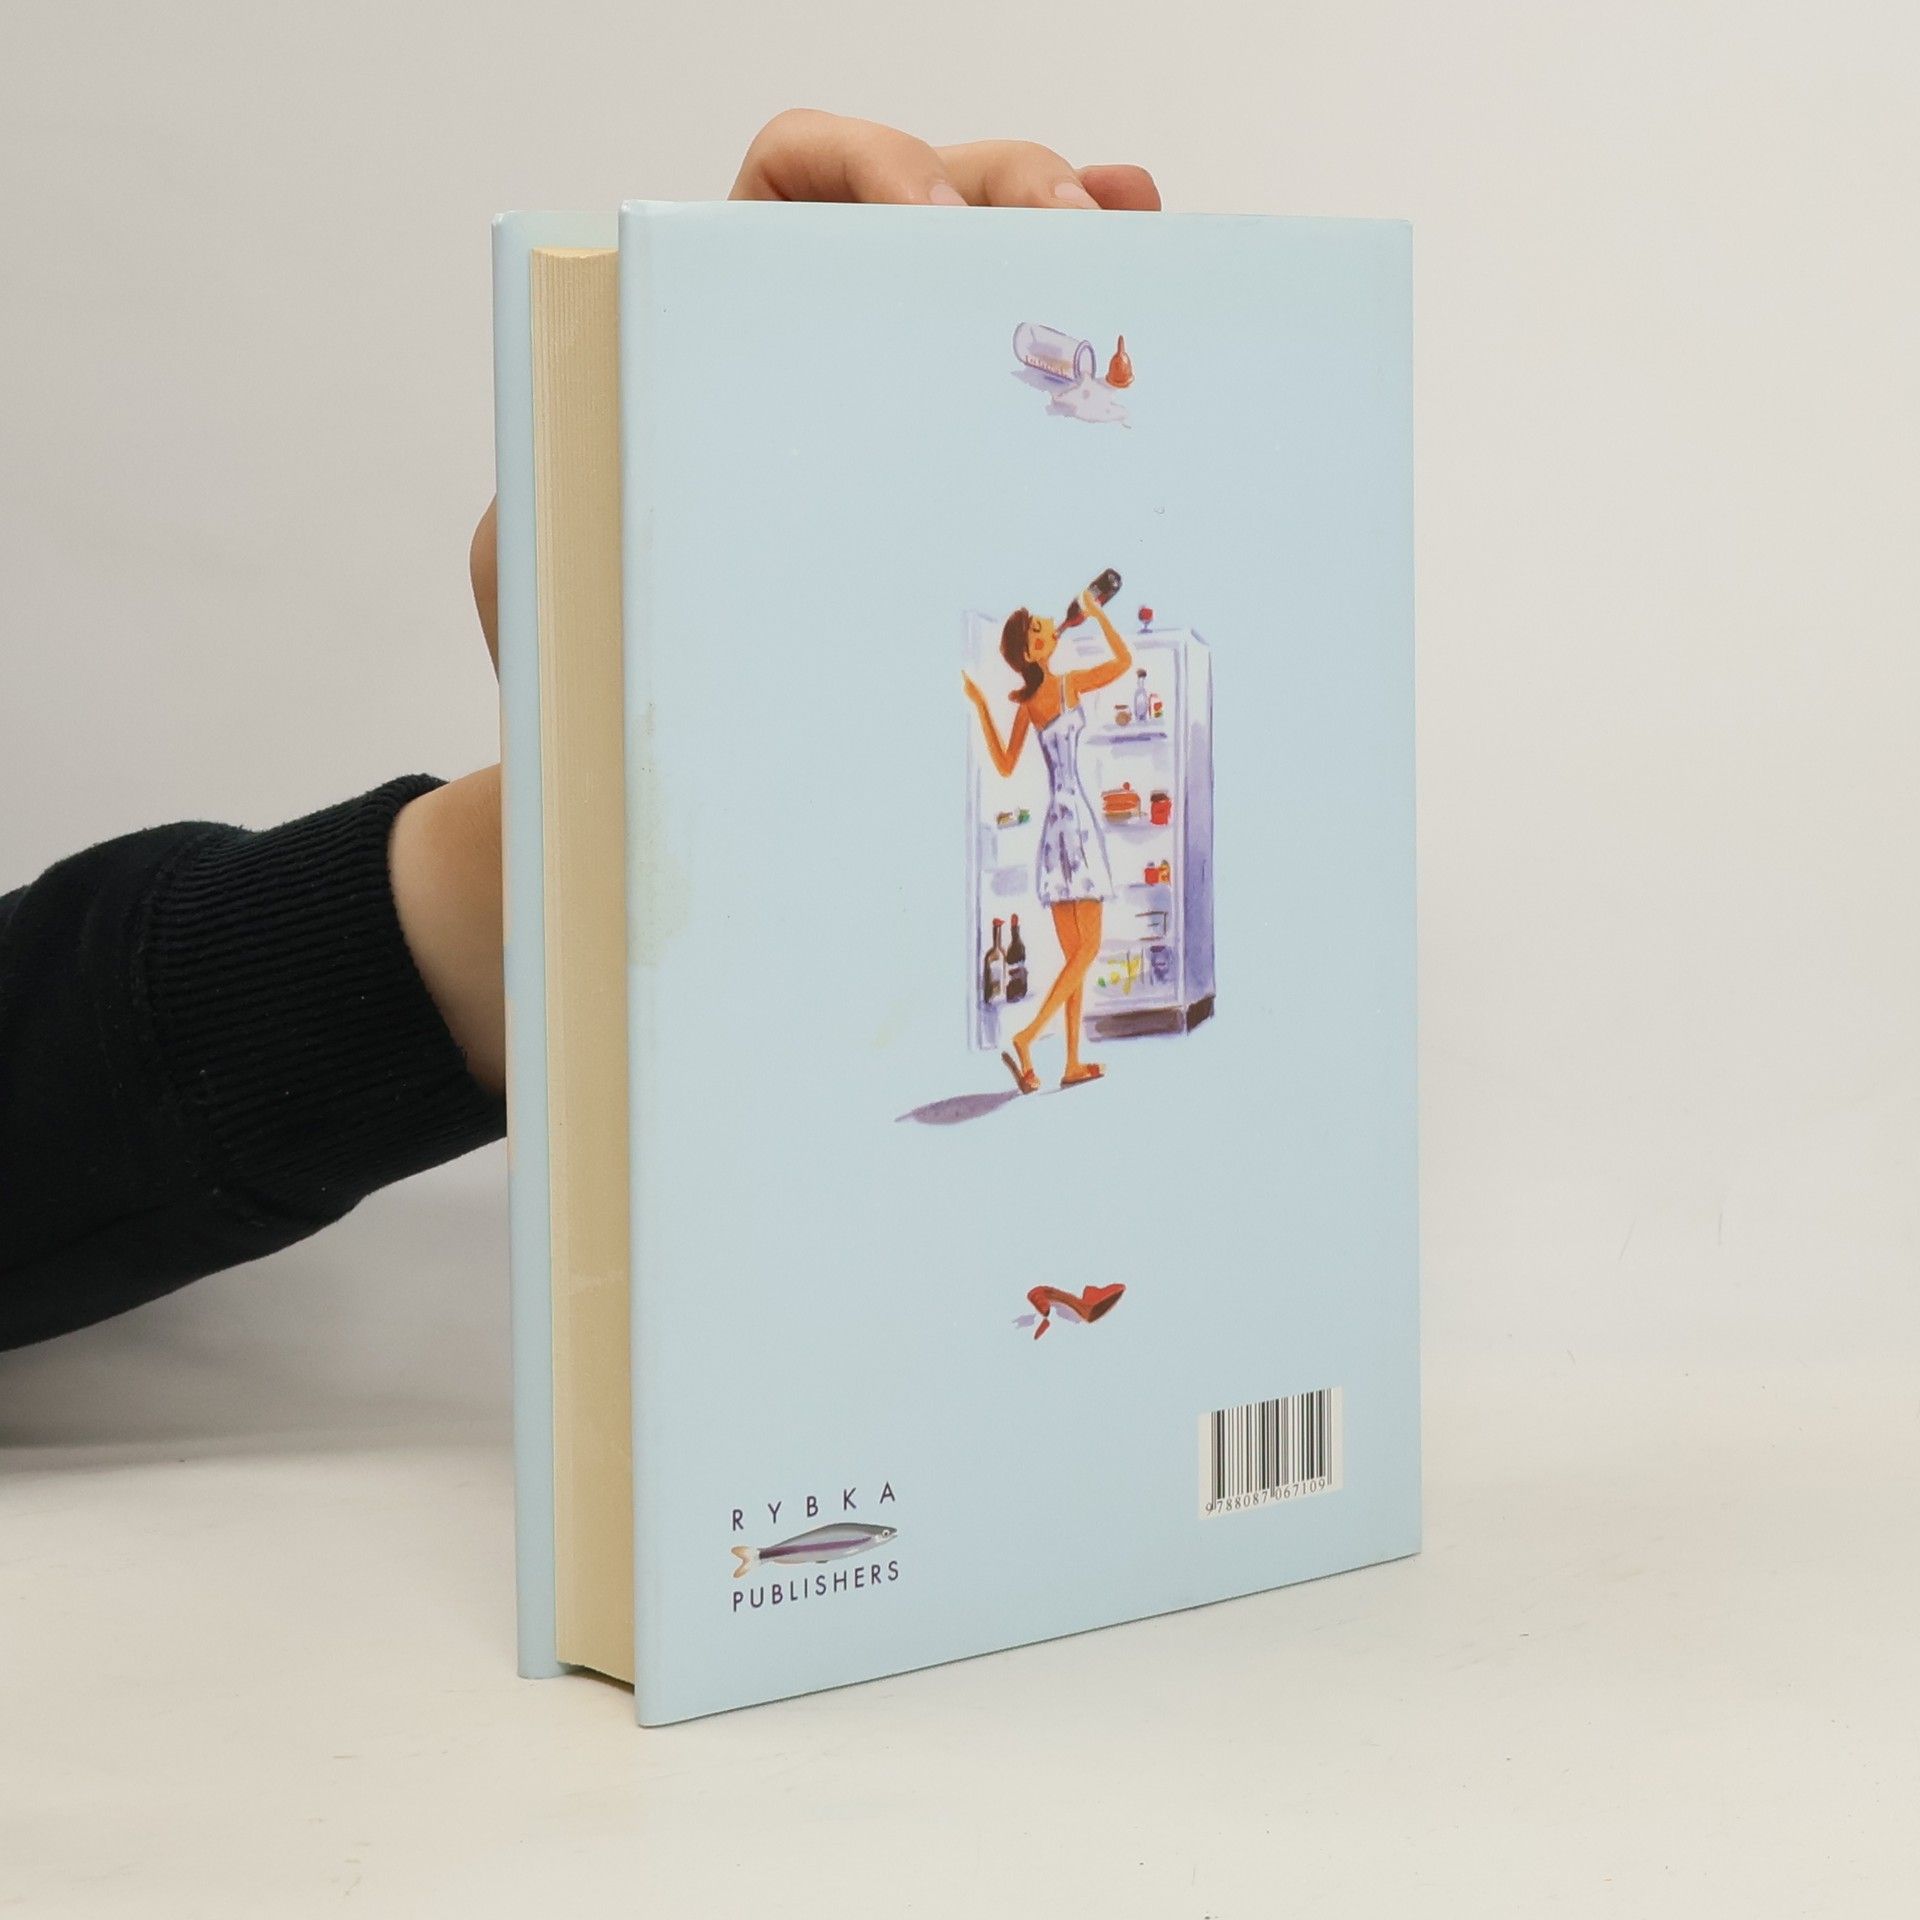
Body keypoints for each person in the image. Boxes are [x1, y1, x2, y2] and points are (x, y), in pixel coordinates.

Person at [0, 113, 1160, 1352]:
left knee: (1077, 960)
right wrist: (541, 859)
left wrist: (535, 856)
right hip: (1059, 840)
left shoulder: (1036, 694)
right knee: (1077, 959)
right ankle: (1046, 1050)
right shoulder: (1046, 690)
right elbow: (1054, 711)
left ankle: (1046, 1051)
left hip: (1049, 834)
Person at [963, 588, 1134, 1091]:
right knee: (1089, 947)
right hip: (1075, 820)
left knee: (1075, 956)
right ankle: (1029, 1036)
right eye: (1041, 629)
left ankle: (1071, 1063)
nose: (1050, 628)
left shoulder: (1030, 704)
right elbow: (1124, 662)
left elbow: (1004, 763)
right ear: (1033, 651)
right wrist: (1097, 613)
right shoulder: (1066, 686)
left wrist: (980, 705)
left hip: (1055, 828)